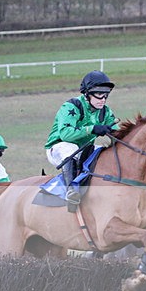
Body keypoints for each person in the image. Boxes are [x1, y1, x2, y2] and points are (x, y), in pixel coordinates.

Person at [44, 70, 119, 204]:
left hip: (84, 150)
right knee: (70, 148)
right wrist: (92, 129)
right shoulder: (71, 106)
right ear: (87, 93)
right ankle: (71, 190)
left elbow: (119, 136)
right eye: (99, 94)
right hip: (58, 148)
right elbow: (65, 134)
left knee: (104, 152)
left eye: (105, 95)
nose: (103, 99)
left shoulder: (105, 112)